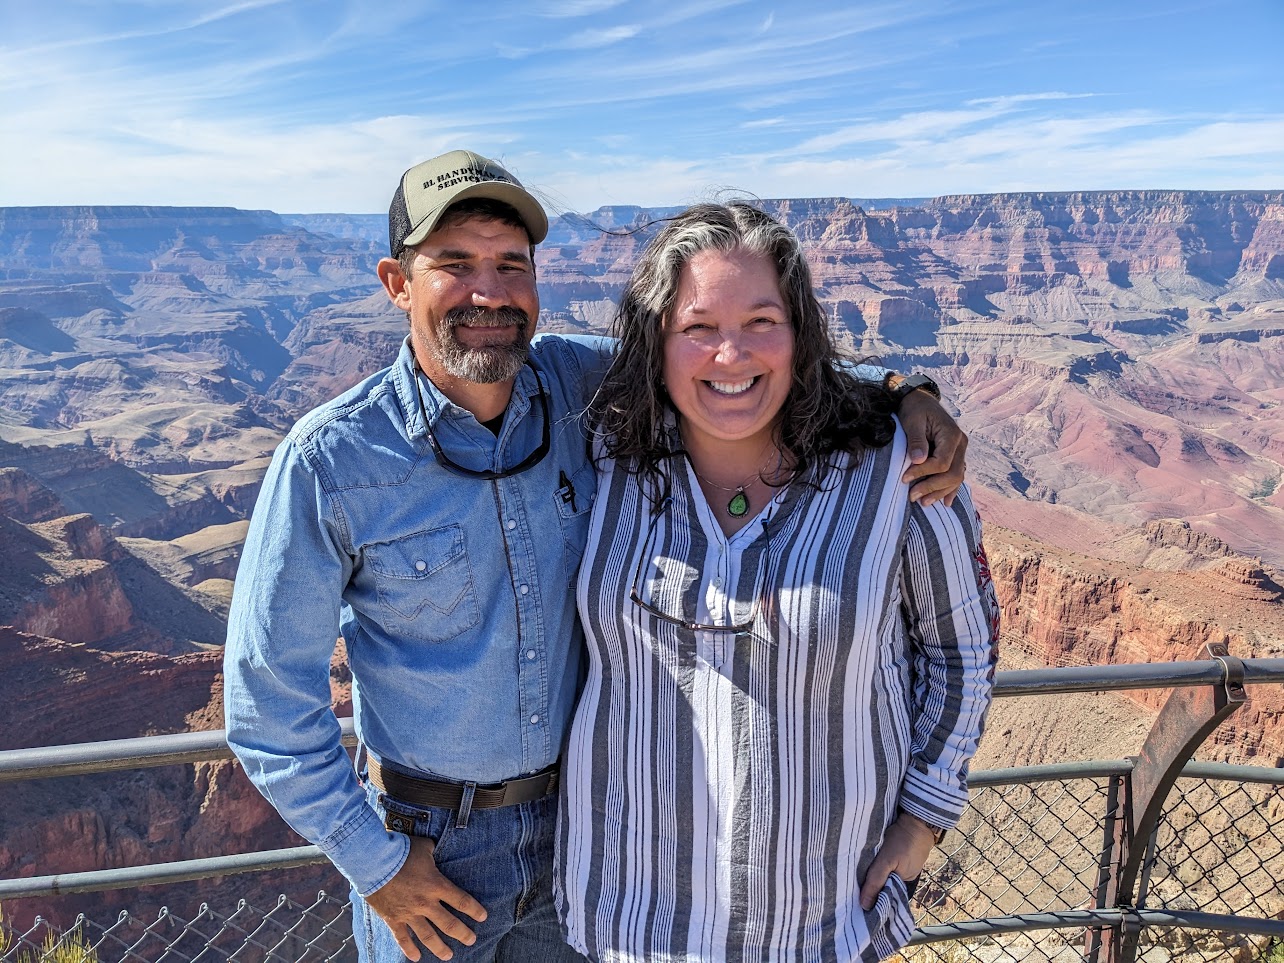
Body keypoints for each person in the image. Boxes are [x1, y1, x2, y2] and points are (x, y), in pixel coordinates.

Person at [223, 151, 969, 963]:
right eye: (455, 265)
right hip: (428, 850)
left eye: (512, 265)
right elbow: (265, 704)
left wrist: (905, 389)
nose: (490, 292)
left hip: (593, 840)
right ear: (398, 283)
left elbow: (731, 362)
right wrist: (377, 865)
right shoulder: (331, 461)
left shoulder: (578, 384)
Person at [555, 202, 998, 962]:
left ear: (802, 336)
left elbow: (964, 651)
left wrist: (924, 816)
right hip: (625, 921)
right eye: (697, 327)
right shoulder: (602, 448)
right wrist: (905, 380)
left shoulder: (900, 469)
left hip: (815, 925)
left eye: (763, 320)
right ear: (656, 342)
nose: (731, 354)